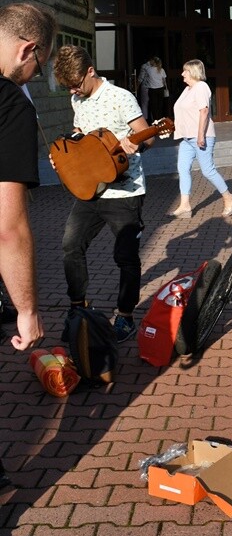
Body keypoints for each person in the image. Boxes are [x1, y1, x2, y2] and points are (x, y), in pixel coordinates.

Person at [0, 1, 57, 536]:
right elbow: (9, 226)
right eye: (37, 66)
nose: (35, 77)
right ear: (27, 50)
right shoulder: (9, 104)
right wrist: (26, 309)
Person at [53, 46, 155, 342]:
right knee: (71, 245)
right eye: (69, 87)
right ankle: (77, 309)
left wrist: (137, 144)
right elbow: (79, 134)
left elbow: (146, 134)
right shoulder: (77, 99)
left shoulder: (121, 97)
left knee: (125, 256)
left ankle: (125, 316)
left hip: (125, 192)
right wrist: (64, 155)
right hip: (90, 189)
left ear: (90, 70)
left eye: (76, 83)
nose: (74, 90)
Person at [171, 59, 232, 218]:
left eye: (185, 71)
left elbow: (204, 111)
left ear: (193, 72)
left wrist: (201, 135)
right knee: (182, 168)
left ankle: (229, 198)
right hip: (187, 139)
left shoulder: (201, 87)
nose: (182, 74)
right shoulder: (187, 89)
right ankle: (185, 205)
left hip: (201, 137)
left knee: (208, 170)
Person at [139, 56, 168, 124]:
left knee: (154, 106)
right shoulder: (161, 70)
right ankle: (160, 119)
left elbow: (143, 75)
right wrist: (166, 88)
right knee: (160, 105)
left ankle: (155, 120)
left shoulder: (149, 69)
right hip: (160, 89)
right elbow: (164, 81)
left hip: (153, 90)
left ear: (154, 62)